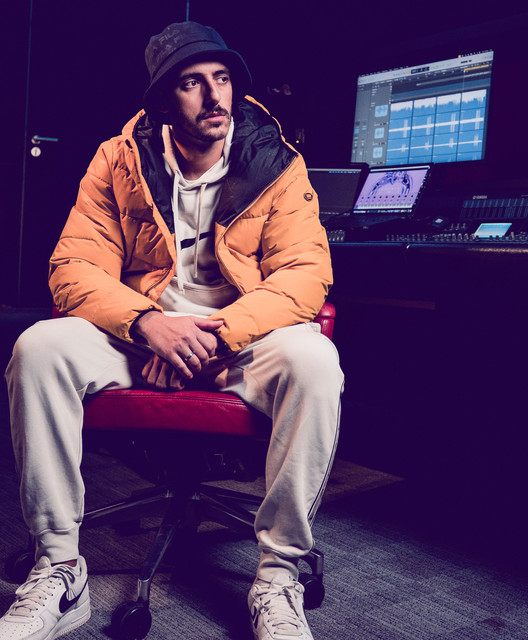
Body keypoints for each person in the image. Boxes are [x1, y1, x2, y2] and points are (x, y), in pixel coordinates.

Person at [1, 21, 344, 640]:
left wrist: (219, 334)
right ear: (164, 100)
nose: (215, 97)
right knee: (39, 348)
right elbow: (73, 266)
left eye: (223, 79)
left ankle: (278, 577)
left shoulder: (277, 163)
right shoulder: (118, 160)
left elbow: (305, 272)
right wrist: (148, 324)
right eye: (192, 83)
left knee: (316, 361)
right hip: (142, 339)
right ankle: (60, 569)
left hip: (238, 341)